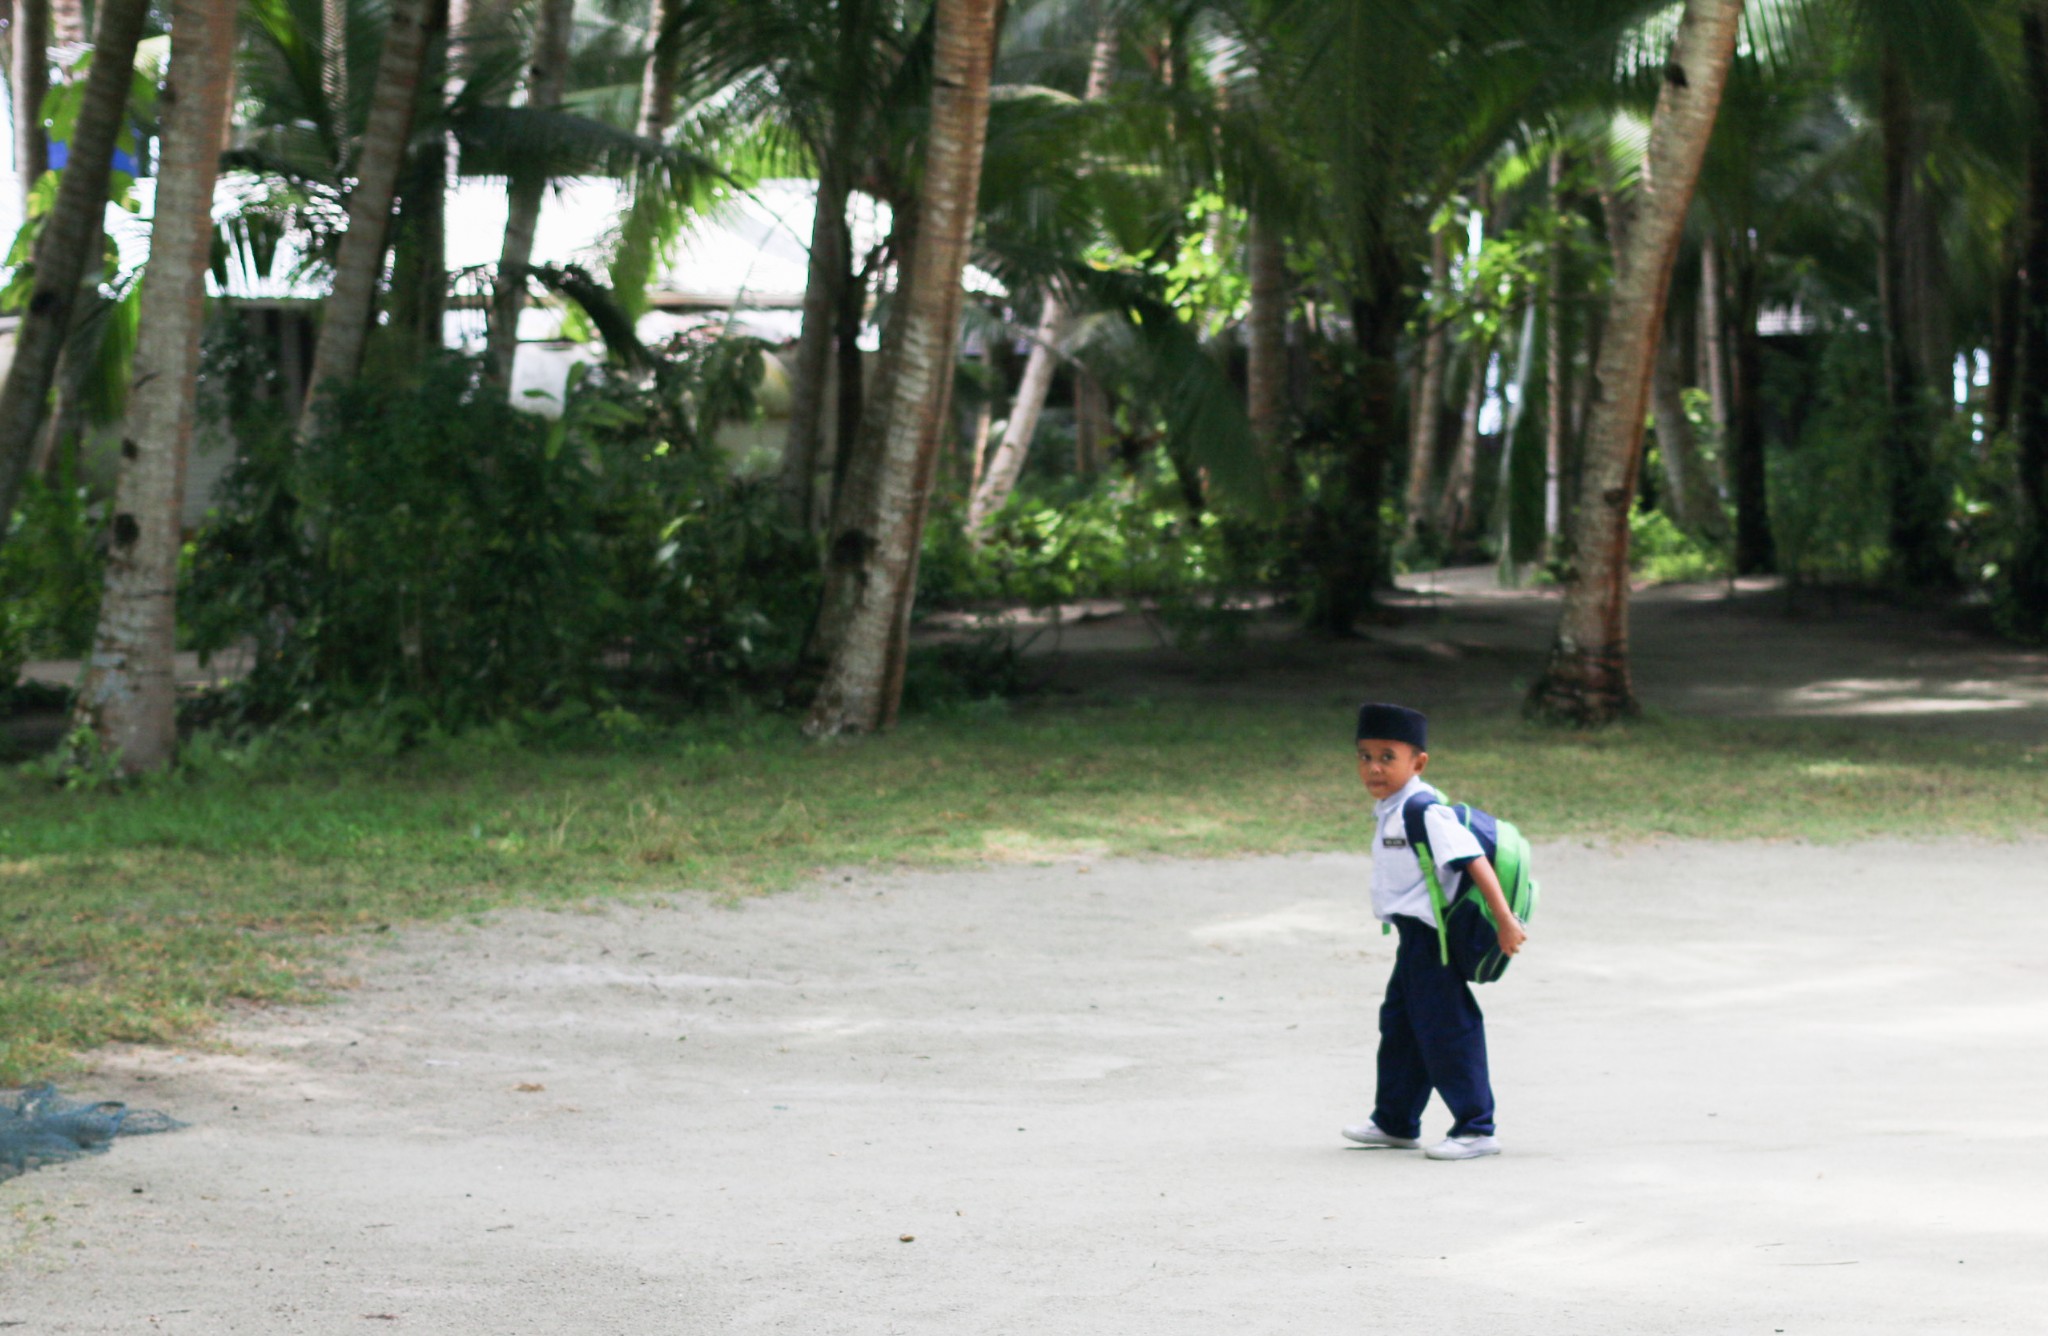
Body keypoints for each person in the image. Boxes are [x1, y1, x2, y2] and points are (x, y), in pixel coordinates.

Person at [1341, 702, 1527, 1161]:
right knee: (1400, 1027)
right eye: (1365, 756)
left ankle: (1476, 1127)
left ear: (1418, 762)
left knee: (1447, 1029)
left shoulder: (1424, 810)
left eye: (1388, 756)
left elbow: (1473, 861)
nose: (1374, 767)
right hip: (1413, 940)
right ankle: (1395, 1121)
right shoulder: (1390, 808)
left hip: (1434, 939)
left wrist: (1505, 920)